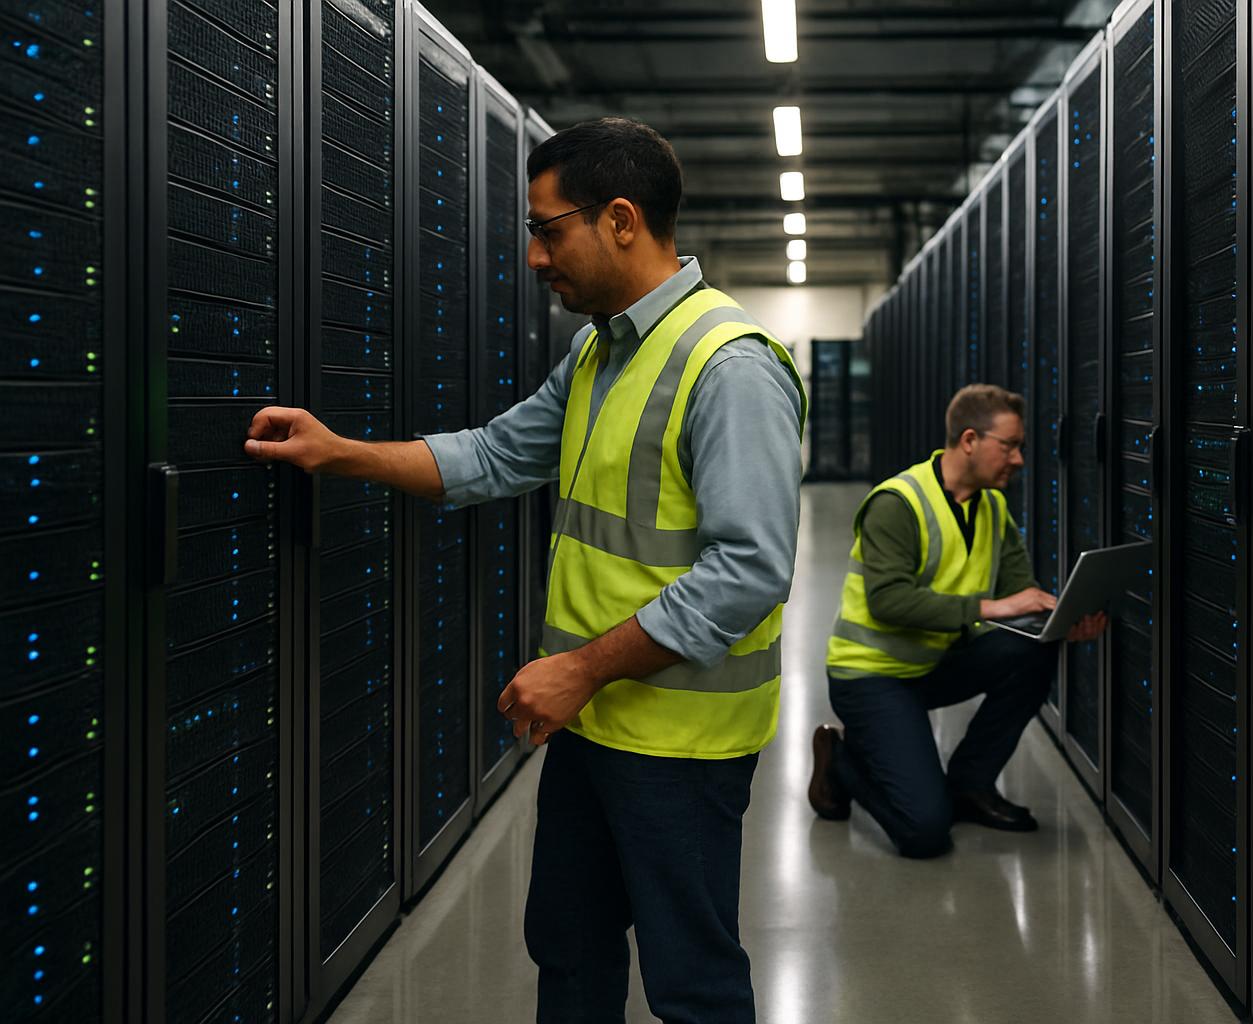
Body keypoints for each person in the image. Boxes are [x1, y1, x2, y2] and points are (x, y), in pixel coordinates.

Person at [244, 117, 805, 1024]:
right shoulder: (598, 351)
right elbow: (496, 456)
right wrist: (339, 452)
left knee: (691, 985)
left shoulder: (729, 366)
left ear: (621, 218)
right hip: (590, 726)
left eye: (549, 229)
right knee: (570, 954)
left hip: (676, 746)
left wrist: (579, 668)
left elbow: (748, 571)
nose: (537, 257)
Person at [809, 384, 1106, 858]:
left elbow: (1017, 597)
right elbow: (888, 602)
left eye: (1020, 447)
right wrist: (991, 608)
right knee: (924, 832)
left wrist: (1061, 624)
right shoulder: (898, 503)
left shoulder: (992, 507)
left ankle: (970, 784)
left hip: (933, 664)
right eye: (1009, 446)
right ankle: (840, 758)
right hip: (870, 677)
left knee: (1033, 649)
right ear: (970, 440)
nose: (1019, 460)